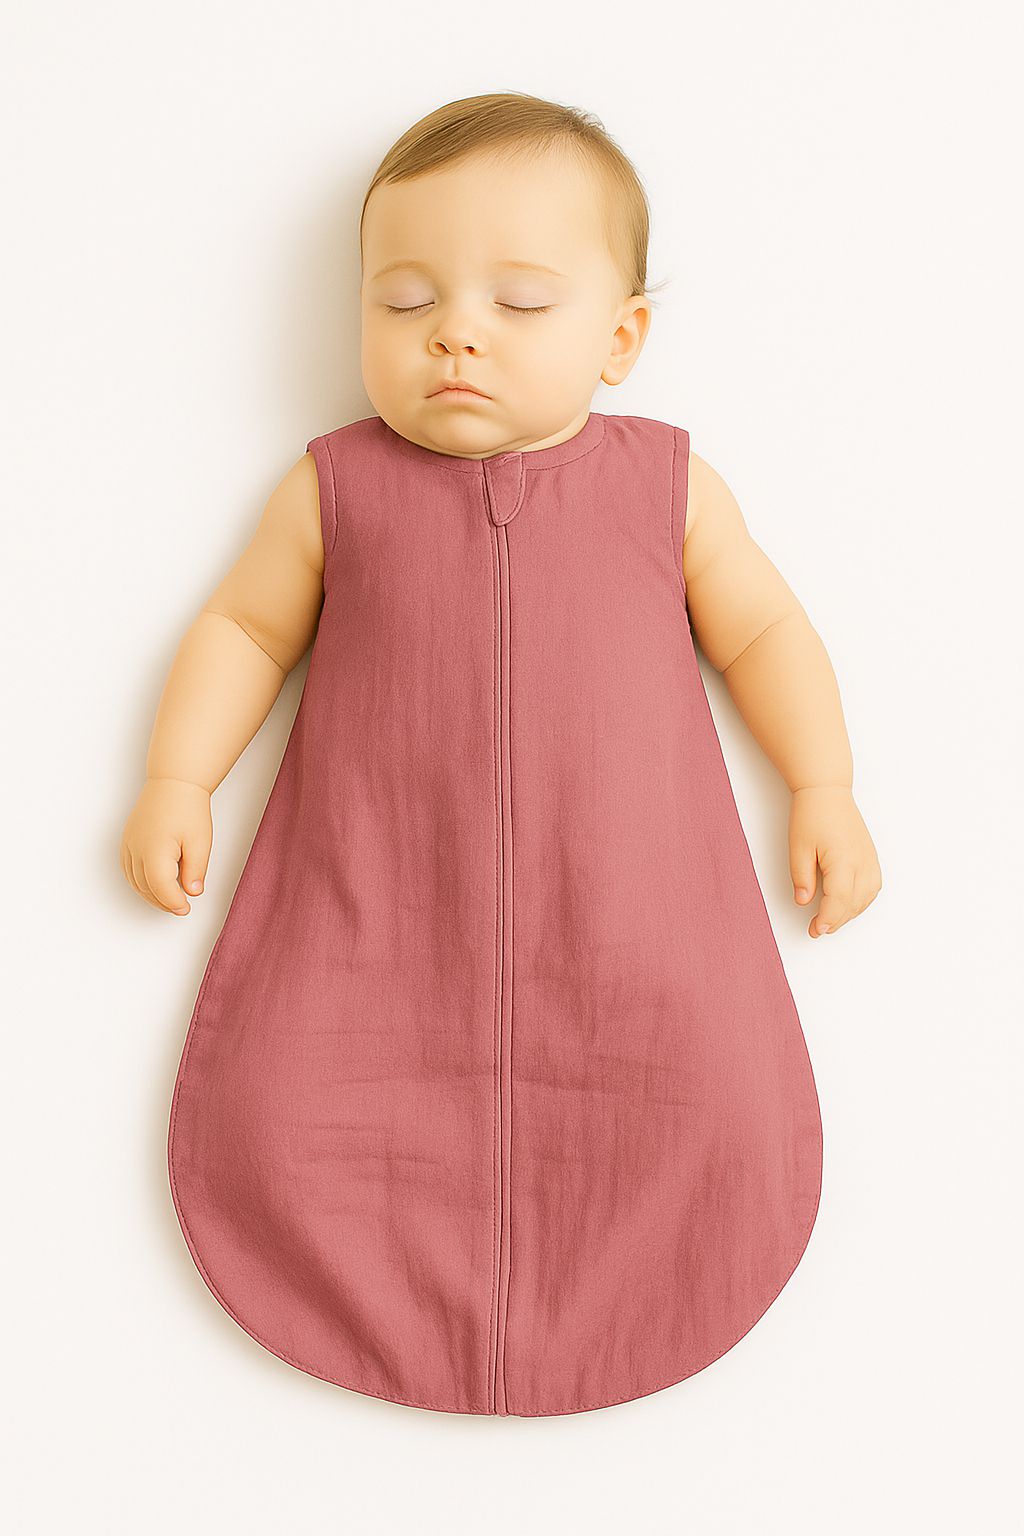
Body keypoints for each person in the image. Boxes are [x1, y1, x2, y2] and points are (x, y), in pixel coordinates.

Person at [121, 92, 882, 1417]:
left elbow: (765, 630)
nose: (455, 331)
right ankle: (368, 1286)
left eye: (521, 303)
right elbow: (244, 629)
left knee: (704, 1095)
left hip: (629, 917)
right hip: (377, 906)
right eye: (404, 300)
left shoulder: (666, 488)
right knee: (292, 1097)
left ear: (621, 340)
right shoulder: (336, 488)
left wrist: (825, 786)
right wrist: (179, 778)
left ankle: (638, 1286)